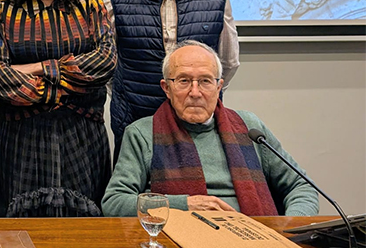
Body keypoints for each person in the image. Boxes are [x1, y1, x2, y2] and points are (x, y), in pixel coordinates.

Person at [0, 0, 117, 217]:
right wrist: (68, 84)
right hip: (22, 138)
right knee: (26, 225)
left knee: (85, 224)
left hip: (82, 135)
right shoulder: (3, 12)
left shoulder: (91, 6)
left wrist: (36, 68)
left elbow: (104, 63)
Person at [102, 41, 318, 216]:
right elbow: (114, 202)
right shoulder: (142, 133)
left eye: (205, 81)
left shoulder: (249, 127)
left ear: (218, 86)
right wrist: (184, 205)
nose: (195, 92)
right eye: (184, 81)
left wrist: (289, 227)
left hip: (253, 237)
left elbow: (302, 186)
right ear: (167, 88)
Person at [108, 0, 239, 155]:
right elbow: (109, 70)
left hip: (199, 126)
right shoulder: (117, 1)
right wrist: (128, 98)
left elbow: (228, 64)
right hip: (136, 125)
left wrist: (200, 95)